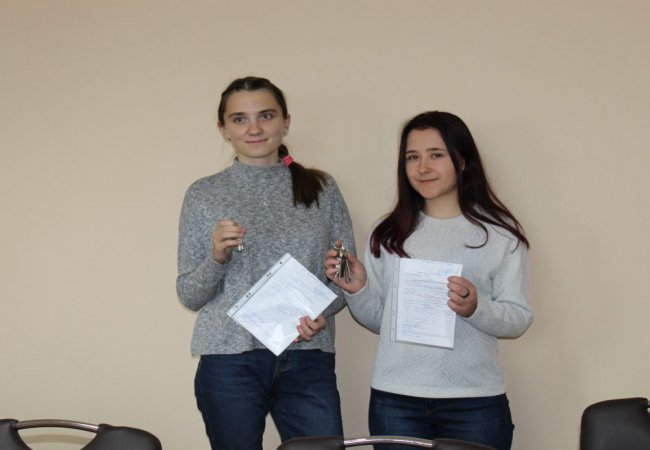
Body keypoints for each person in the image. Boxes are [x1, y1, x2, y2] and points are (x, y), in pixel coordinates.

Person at [324, 111, 533, 450]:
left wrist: (475, 307)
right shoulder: (387, 233)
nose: (422, 168)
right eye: (412, 157)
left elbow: (519, 318)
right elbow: (380, 321)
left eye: (436, 155)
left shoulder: (499, 234)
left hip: (474, 400)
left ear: (462, 160)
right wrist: (358, 289)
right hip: (396, 399)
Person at [177, 76, 355, 450]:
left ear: (286, 122)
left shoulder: (322, 188)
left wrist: (322, 311)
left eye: (266, 116)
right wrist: (217, 257)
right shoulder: (203, 194)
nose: (254, 128)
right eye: (239, 119)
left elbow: (345, 274)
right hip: (229, 360)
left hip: (308, 356)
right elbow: (189, 295)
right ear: (223, 129)